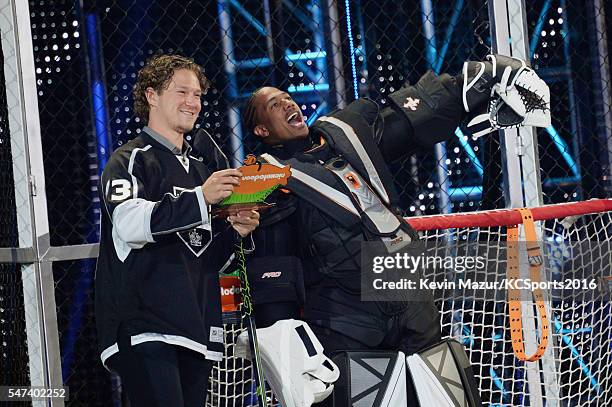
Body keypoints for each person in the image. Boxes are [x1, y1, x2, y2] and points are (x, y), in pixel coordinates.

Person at [241, 55, 549, 405]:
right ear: (262, 131)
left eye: (286, 96)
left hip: (405, 283)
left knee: (444, 391)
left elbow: (408, 116)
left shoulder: (346, 131)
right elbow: (272, 268)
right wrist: (281, 341)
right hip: (345, 310)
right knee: (363, 393)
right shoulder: (263, 180)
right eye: (273, 104)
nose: (287, 103)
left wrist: (478, 79)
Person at [95, 54, 260, 407]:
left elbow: (204, 254)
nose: (193, 103)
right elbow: (130, 224)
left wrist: (237, 233)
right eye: (182, 92)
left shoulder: (204, 170)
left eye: (198, 95)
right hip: (146, 326)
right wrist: (201, 198)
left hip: (196, 326)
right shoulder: (129, 159)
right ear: (152, 96)